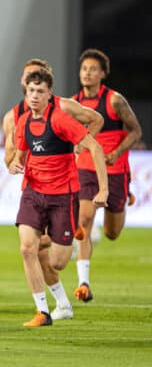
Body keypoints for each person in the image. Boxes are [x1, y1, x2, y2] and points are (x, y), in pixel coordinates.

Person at [2, 58, 103, 320]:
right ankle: (42, 311)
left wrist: (102, 189)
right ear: (24, 87)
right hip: (34, 193)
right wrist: (14, 164)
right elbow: (19, 155)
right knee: (27, 249)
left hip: (62, 195)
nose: (33, 93)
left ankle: (68, 236)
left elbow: (95, 142)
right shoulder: (19, 120)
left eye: (39, 90)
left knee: (57, 261)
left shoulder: (62, 115)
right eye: (29, 88)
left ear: (49, 93)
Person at [72, 49, 142, 302]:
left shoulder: (114, 101)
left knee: (112, 233)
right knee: (85, 219)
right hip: (86, 169)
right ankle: (83, 283)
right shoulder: (73, 104)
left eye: (92, 69)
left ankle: (125, 196)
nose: (87, 73)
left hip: (114, 171)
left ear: (102, 73)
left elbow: (136, 131)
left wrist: (116, 151)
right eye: (83, 69)